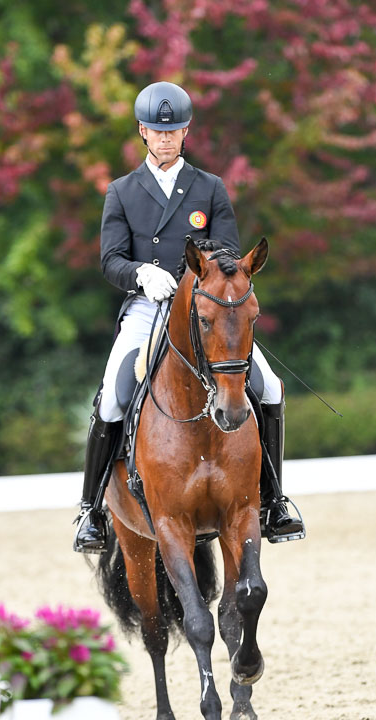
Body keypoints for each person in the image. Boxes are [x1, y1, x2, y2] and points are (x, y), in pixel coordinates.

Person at [73, 81, 304, 554]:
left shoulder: (209, 187)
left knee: (271, 387)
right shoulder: (121, 192)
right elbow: (110, 260)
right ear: (142, 132)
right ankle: (91, 511)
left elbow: (230, 253)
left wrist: (191, 278)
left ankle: (274, 500)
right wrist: (141, 274)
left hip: (204, 309)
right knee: (113, 399)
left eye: (173, 131)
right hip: (145, 308)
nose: (165, 139)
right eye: (156, 132)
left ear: (185, 132)